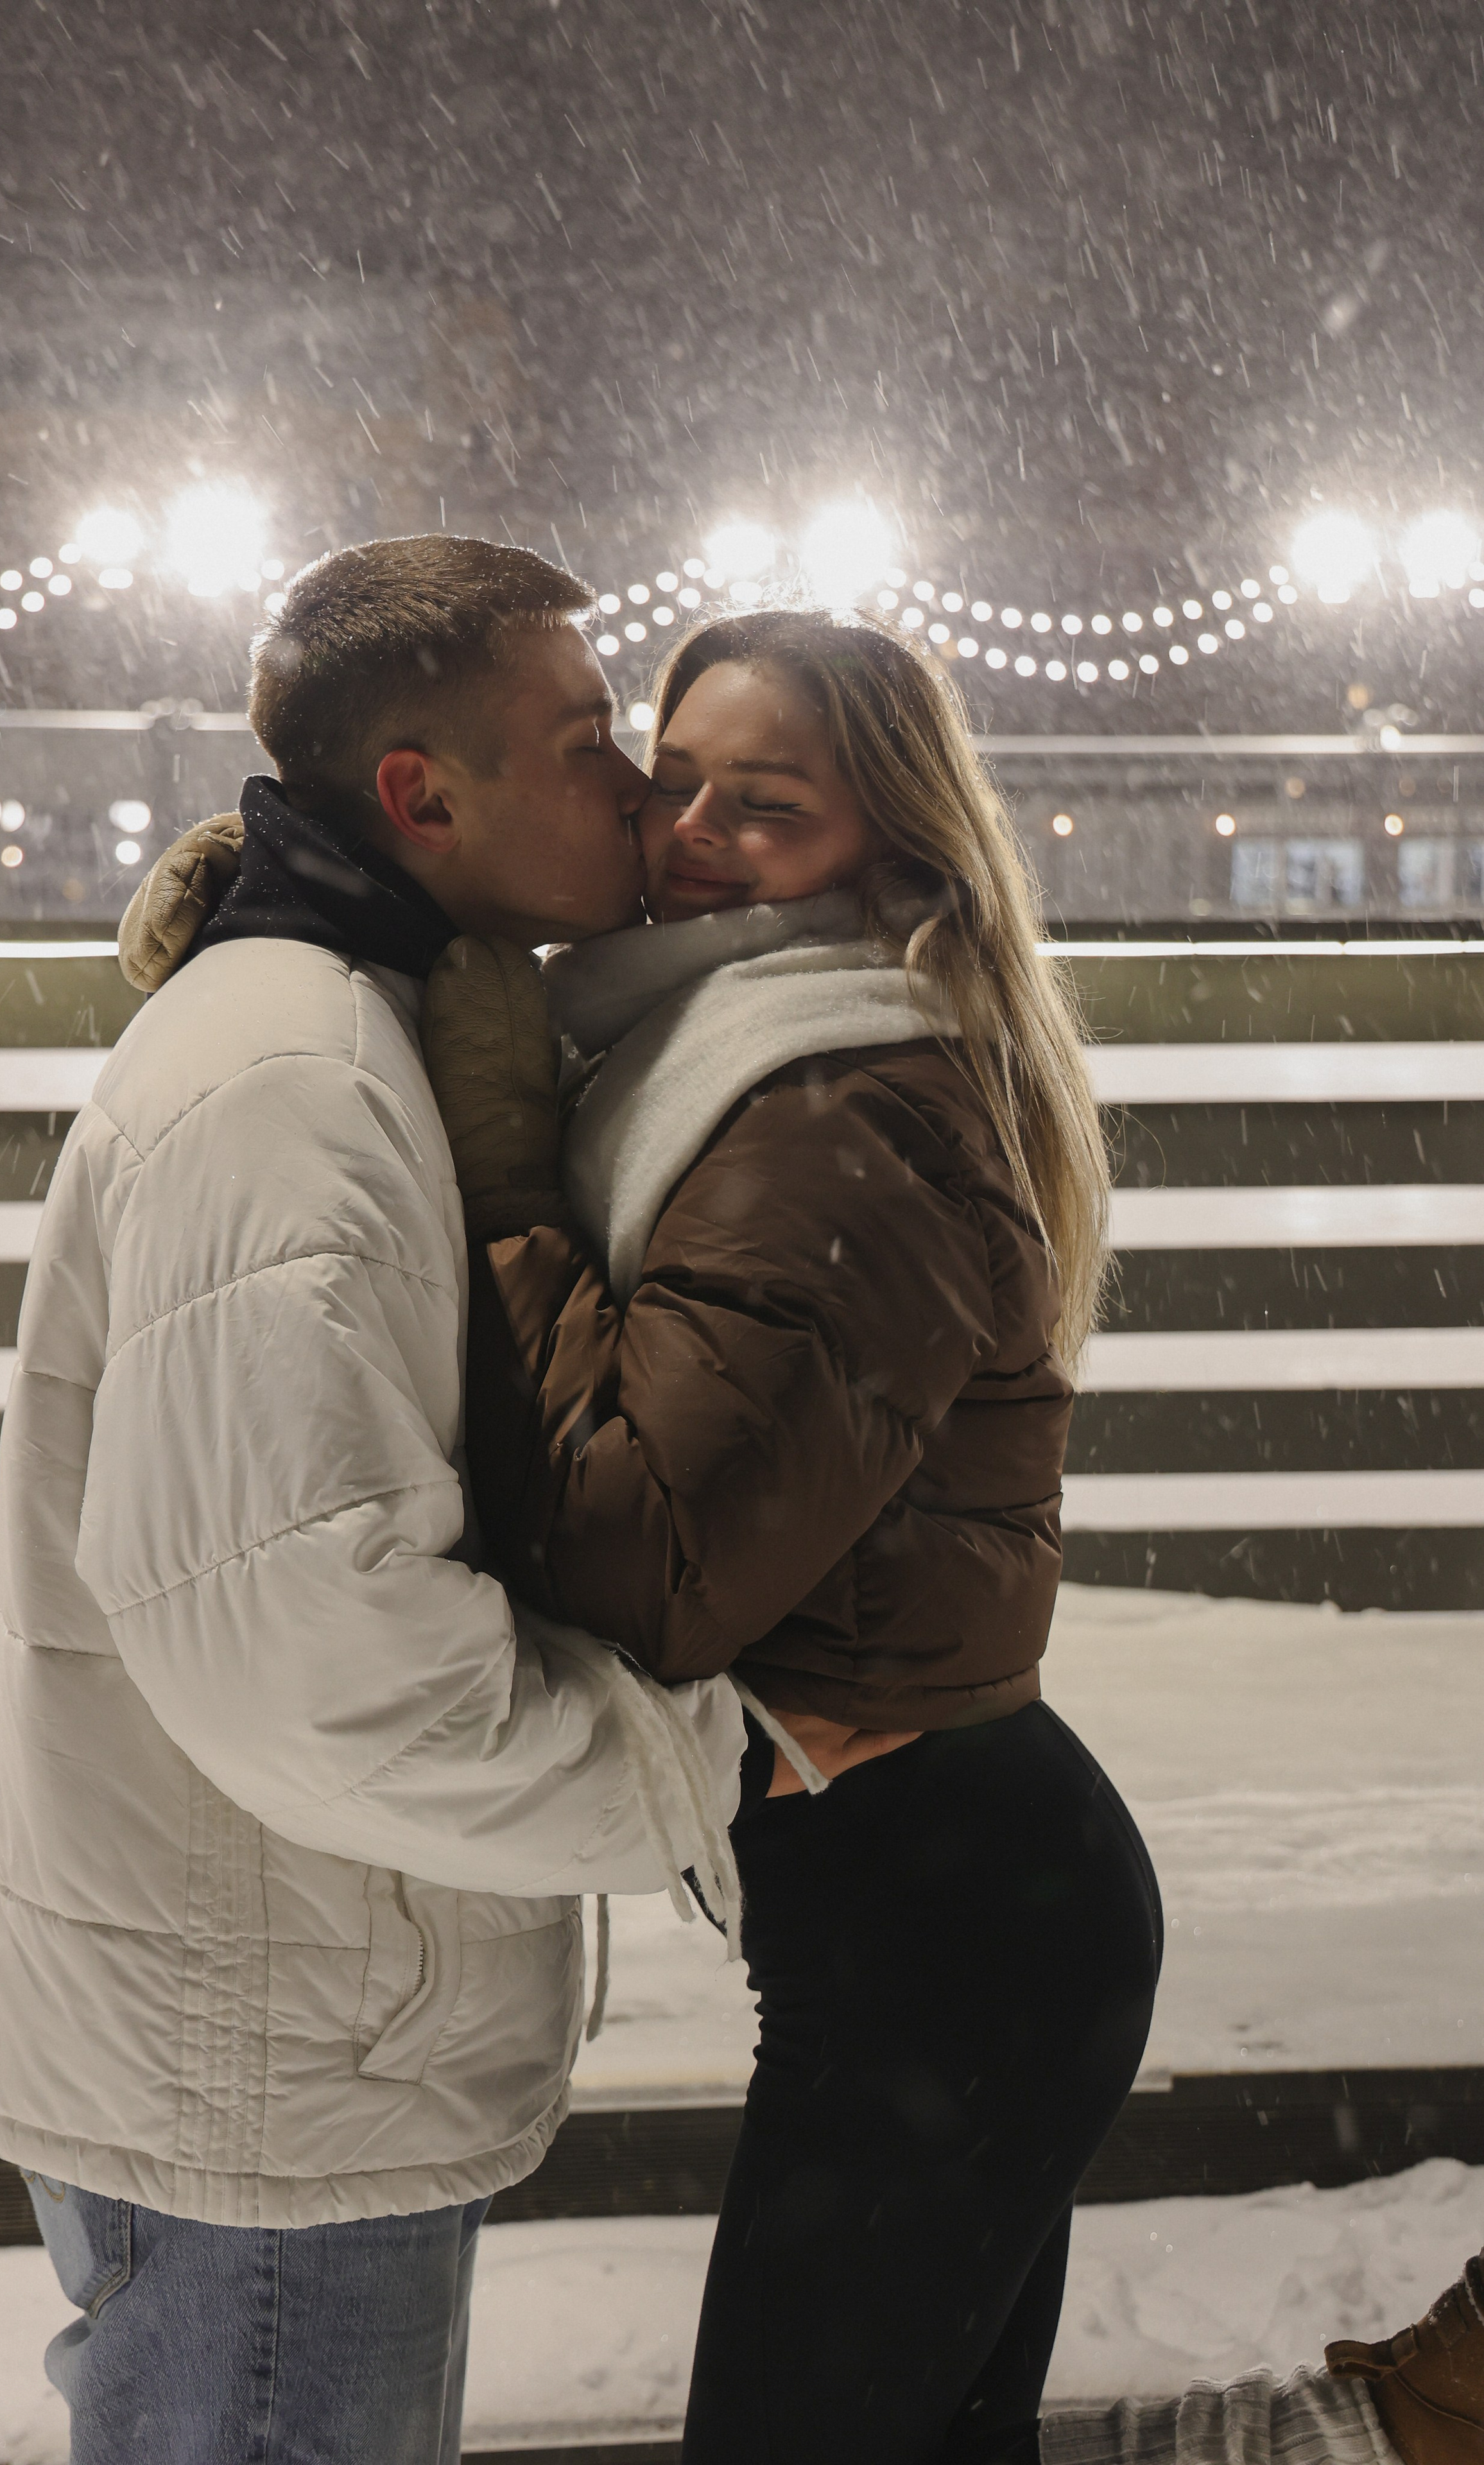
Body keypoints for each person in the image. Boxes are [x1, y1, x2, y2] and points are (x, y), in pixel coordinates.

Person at [0, 535, 755, 2465]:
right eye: (589, 736)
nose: (632, 785)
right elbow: (320, 1655)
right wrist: (694, 1762)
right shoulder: (299, 1079)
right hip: (264, 2068)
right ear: (420, 797)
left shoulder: (348, 1032)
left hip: (265, 2017)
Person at [418, 608, 1166, 2465]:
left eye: (764, 806)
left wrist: (502, 1194)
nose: (689, 836)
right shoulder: (731, 1046)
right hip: (944, 1913)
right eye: (673, 782)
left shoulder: (837, 1105)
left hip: (956, 1936)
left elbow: (658, 1555)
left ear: (891, 849)